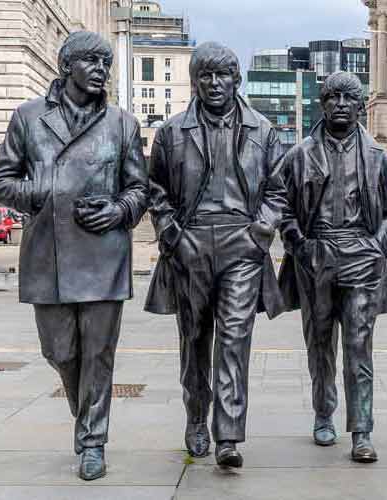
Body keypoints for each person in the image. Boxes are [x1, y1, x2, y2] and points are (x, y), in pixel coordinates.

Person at [0, 31, 149, 480]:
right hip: (49, 256)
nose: (101, 70)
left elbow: (140, 189)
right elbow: (0, 181)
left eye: (106, 64)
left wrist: (119, 209)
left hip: (104, 253)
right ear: (67, 67)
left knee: (99, 354)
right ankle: (86, 419)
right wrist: (41, 190)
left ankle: (93, 441)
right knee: (60, 351)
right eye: (92, 62)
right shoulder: (29, 117)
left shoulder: (122, 123)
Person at [144, 42, 287, 468]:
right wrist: (174, 236)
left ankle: (228, 434)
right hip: (190, 243)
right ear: (195, 81)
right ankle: (195, 415)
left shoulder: (263, 130)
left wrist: (259, 233)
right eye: (204, 75)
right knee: (194, 338)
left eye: (222, 75)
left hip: (241, 244)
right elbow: (157, 192)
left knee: (234, 338)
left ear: (236, 78)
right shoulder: (171, 132)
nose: (213, 83)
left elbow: (278, 191)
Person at [278, 71, 387, 463]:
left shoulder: (378, 156)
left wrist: (376, 248)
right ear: (322, 103)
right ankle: (323, 413)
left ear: (361, 105)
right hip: (318, 255)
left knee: (358, 347)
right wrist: (300, 245)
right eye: (333, 98)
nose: (341, 105)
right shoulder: (299, 155)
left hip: (361, 257)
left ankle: (361, 429)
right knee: (320, 344)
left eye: (349, 98)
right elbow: (281, 206)